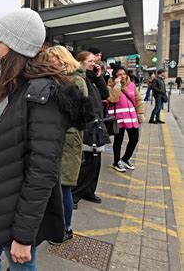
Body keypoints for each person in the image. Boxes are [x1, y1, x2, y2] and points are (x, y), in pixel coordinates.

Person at [0, 9, 89, 270]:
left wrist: (24, 237)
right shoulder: (17, 87)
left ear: (16, 47)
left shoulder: (41, 96)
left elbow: (43, 172)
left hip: (17, 214)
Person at [47, 45, 90, 242]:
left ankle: (66, 228)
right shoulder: (56, 78)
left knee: (64, 186)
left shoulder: (76, 81)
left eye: (52, 58)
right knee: (55, 185)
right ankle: (55, 226)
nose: (48, 62)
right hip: (57, 139)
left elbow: (79, 115)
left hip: (69, 140)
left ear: (62, 60)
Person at [72, 51, 110, 209]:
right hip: (88, 125)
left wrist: (99, 76)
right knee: (88, 162)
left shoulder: (93, 78)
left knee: (96, 162)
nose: (94, 64)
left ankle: (89, 191)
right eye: (90, 61)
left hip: (97, 125)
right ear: (80, 62)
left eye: (95, 61)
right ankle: (75, 194)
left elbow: (105, 94)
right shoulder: (80, 78)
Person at [107, 66, 144, 172]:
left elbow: (138, 100)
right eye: (119, 74)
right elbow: (113, 99)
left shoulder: (131, 85)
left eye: (124, 74)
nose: (122, 76)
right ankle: (116, 161)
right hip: (118, 119)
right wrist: (117, 85)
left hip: (131, 118)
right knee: (118, 141)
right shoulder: (110, 86)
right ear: (114, 76)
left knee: (134, 139)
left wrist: (140, 113)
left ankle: (125, 159)